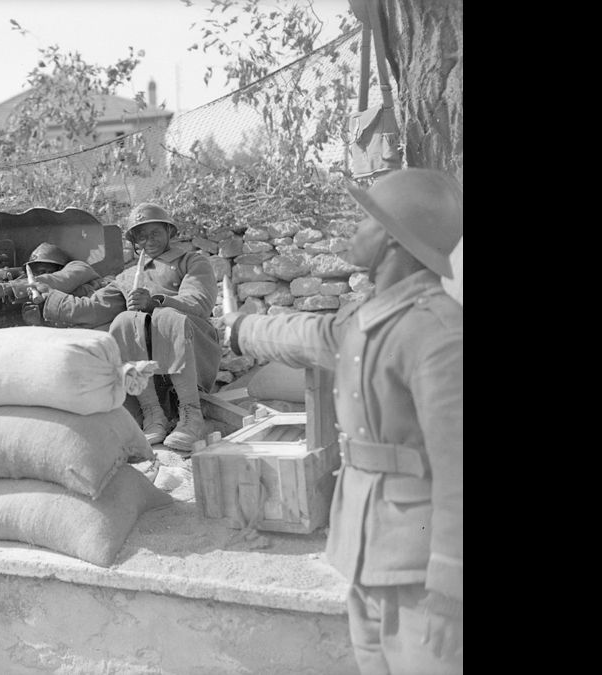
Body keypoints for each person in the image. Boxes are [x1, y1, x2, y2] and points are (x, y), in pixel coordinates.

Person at [223, 168, 463, 674]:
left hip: (423, 574)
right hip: (367, 554)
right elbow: (309, 335)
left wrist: (452, 585)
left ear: (395, 239)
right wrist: (240, 328)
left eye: (367, 219)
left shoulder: (440, 335)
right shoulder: (372, 317)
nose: (355, 229)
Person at [24, 203, 222, 452]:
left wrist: (155, 302)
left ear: (169, 231)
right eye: (141, 236)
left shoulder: (191, 261)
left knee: (166, 317)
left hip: (195, 344)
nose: (149, 240)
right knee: (124, 321)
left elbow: (198, 302)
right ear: (134, 241)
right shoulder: (128, 277)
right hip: (153, 359)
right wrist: (49, 295)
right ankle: (153, 414)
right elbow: (91, 308)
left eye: (155, 233)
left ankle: (191, 416)